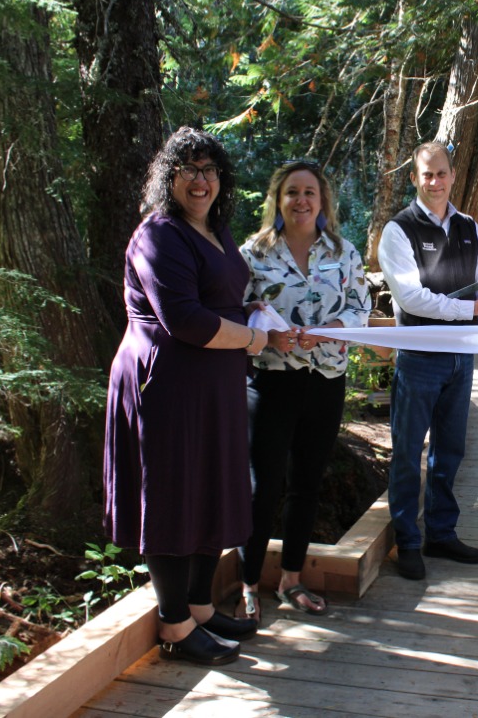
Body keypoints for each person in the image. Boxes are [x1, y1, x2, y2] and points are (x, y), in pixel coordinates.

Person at [103, 126, 267, 666]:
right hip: (166, 387)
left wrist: (256, 322)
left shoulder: (215, 231)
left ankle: (198, 607)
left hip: (212, 385)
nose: (201, 181)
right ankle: (174, 627)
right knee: (173, 497)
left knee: (209, 489)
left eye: (209, 170)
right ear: (167, 178)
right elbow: (187, 321)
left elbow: (226, 301)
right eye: (188, 170)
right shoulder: (159, 235)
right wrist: (252, 338)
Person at [236, 160, 370, 620]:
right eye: (292, 191)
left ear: (323, 201)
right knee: (262, 487)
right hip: (270, 382)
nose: (301, 200)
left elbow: (362, 311)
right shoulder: (252, 254)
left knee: (306, 486)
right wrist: (263, 326)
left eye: (310, 192)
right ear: (278, 199)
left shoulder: (344, 253)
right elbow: (234, 312)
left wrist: (332, 327)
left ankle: (291, 578)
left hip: (325, 382)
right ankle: (247, 584)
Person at [378, 142, 478, 580]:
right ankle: (407, 542)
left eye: (441, 174)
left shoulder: (470, 226)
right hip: (418, 357)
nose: (435, 182)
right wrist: (474, 310)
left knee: (450, 450)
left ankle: (440, 533)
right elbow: (412, 298)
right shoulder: (399, 230)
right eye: (426, 175)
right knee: (407, 452)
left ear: (453, 175)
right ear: (415, 178)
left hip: (461, 357)